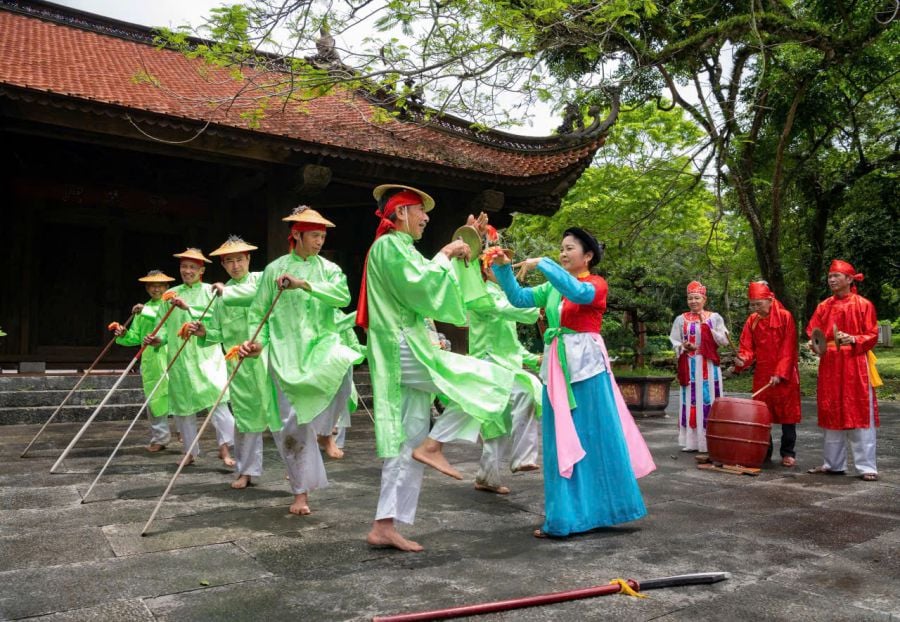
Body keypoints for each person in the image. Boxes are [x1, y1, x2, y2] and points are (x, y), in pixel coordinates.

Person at [357, 184, 513, 552]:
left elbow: (427, 282)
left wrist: (467, 242)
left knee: (405, 440)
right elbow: (424, 284)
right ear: (400, 214)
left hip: (405, 342)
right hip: (400, 346)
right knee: (489, 382)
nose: (426, 217)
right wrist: (446, 251)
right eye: (420, 211)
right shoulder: (389, 246)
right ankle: (435, 443)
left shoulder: (399, 248)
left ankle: (384, 524)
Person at [490, 227, 654, 538]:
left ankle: (604, 509)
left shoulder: (596, 284)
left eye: (569, 249)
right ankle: (564, 517)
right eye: (561, 249)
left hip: (587, 367)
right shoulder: (553, 288)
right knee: (559, 440)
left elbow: (578, 294)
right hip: (558, 366)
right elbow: (518, 297)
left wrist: (546, 265)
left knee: (595, 436)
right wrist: (501, 265)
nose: (563, 254)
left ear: (588, 255)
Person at [240, 207, 363, 515]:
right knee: (291, 427)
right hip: (284, 355)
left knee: (344, 368)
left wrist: (303, 284)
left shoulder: (330, 269)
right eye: (314, 236)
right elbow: (259, 314)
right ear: (296, 235)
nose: (319, 242)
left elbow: (343, 297)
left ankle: (327, 432)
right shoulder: (274, 270)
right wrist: (257, 344)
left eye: (322, 236)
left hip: (322, 347)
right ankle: (300, 493)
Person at [189, 236, 281, 489]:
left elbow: (264, 298)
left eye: (239, 259)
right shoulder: (219, 295)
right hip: (239, 364)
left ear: (249, 259)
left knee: (284, 417)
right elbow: (217, 331)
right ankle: (246, 470)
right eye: (229, 261)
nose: (235, 265)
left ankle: (297, 473)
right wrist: (203, 332)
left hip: (270, 357)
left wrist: (227, 292)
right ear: (223, 264)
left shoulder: (263, 280)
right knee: (246, 418)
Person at [144, 249, 235, 466]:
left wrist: (189, 308)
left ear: (202, 270)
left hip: (206, 357)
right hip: (180, 358)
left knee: (218, 403)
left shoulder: (210, 291)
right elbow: (164, 326)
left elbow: (216, 319)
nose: (187, 271)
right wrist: (158, 339)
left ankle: (227, 448)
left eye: (192, 267)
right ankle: (189, 451)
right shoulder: (171, 294)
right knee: (183, 408)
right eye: (184, 267)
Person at [466, 255, 543, 494]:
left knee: (498, 423)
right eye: (495, 266)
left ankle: (486, 477)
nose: (501, 269)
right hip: (488, 364)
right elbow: (520, 311)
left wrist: (532, 358)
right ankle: (522, 457)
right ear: (486, 271)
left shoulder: (501, 294)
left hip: (505, 364)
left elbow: (512, 344)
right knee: (528, 391)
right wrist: (538, 300)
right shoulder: (480, 295)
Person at [806, 259, 880, 481]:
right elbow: (814, 332)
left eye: (836, 276)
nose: (831, 279)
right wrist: (814, 344)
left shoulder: (863, 304)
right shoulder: (823, 306)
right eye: (829, 276)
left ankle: (867, 467)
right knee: (831, 410)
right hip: (829, 363)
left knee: (859, 411)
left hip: (855, 363)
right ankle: (833, 463)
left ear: (849, 279)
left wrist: (854, 338)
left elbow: (872, 334)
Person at [733, 281, 801, 466]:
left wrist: (780, 372)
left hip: (785, 373)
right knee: (762, 414)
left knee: (788, 415)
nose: (755, 308)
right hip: (763, 373)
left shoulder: (786, 317)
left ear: (770, 300)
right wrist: (742, 360)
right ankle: (765, 450)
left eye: (759, 304)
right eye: (753, 304)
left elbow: (789, 348)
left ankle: (788, 452)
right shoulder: (752, 320)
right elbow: (747, 348)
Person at [114, 270, 174, 453]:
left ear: (167, 287)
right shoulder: (143, 309)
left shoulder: (172, 304)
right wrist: (124, 334)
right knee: (154, 399)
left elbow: (164, 319)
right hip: (151, 360)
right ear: (147, 288)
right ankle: (160, 437)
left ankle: (185, 434)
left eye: (160, 285)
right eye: (152, 285)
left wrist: (145, 310)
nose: (156, 288)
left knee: (180, 397)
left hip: (172, 356)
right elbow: (135, 337)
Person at [669, 281, 729, 454]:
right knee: (689, 400)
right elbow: (675, 340)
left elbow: (724, 341)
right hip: (689, 364)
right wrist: (683, 345)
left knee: (710, 398)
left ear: (704, 299)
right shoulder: (681, 319)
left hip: (709, 365)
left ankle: (711, 440)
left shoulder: (714, 317)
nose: (693, 301)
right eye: (690, 298)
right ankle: (693, 441)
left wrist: (708, 327)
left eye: (697, 298)